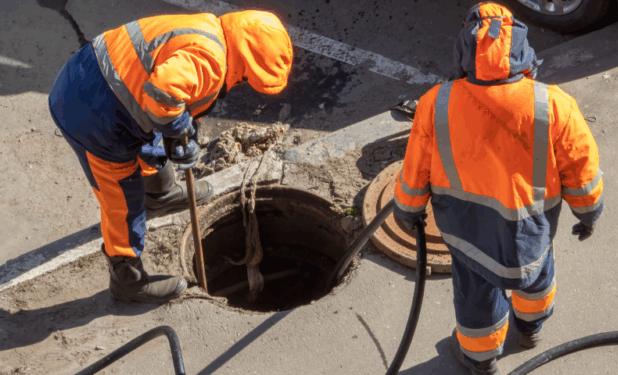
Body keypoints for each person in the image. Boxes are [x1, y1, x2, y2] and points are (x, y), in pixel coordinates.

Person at [393, 2, 603, 374]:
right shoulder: (552, 102)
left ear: (464, 51)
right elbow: (580, 165)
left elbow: (416, 167)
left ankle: (481, 359)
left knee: (477, 296)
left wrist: (407, 211)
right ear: (524, 51)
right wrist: (588, 213)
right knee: (536, 277)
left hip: (467, 230)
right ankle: (530, 331)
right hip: (531, 230)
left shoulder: (435, 103)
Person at [48, 10, 293, 303]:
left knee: (151, 140)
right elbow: (163, 95)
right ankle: (128, 279)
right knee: (122, 200)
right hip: (92, 114)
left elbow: (178, 94)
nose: (241, 84)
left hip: (91, 77)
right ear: (244, 62)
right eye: (246, 79)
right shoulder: (212, 60)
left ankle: (160, 194)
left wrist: (183, 134)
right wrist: (178, 131)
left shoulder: (207, 27)